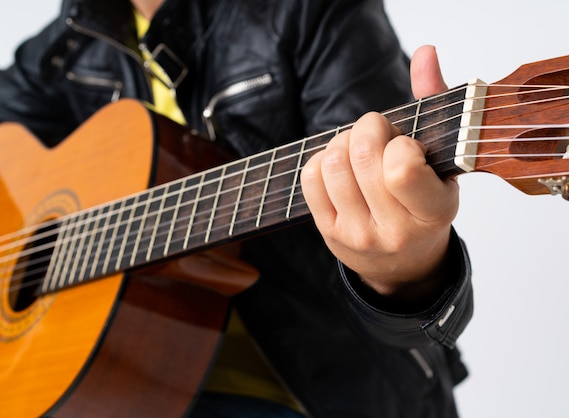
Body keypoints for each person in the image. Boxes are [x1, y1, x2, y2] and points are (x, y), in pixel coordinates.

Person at [0, 0, 473, 416]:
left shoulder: (312, 9)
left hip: (315, 393)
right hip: (119, 388)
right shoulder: (69, 42)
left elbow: (407, 317)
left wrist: (405, 274)